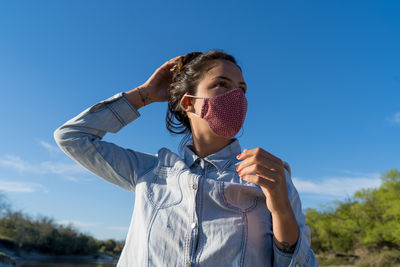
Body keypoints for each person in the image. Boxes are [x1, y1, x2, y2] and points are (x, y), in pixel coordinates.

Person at [54, 49, 318, 266]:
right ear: (188, 103)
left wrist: (280, 206)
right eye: (221, 84)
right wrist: (144, 95)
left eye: (242, 88)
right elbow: (71, 137)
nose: (237, 96)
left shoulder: (271, 176)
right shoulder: (148, 171)